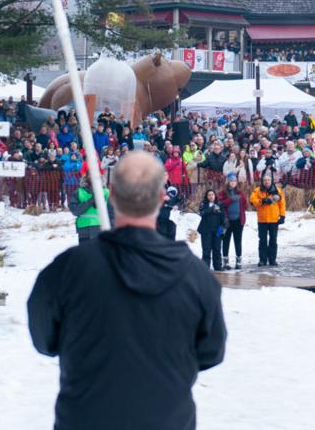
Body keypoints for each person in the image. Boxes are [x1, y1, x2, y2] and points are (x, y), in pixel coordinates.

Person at [27, 151, 226, 430]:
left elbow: (44, 338)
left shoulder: (68, 269)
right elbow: (211, 352)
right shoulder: (197, 276)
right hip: (166, 419)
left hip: (87, 417)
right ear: (161, 198)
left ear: (114, 197)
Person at [66, 162, 115, 242]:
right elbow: (75, 211)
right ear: (86, 177)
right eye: (90, 174)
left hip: (101, 229)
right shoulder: (79, 192)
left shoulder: (106, 192)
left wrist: (112, 230)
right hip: (84, 230)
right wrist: (91, 201)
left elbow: (112, 213)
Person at [250, 169, 286, 267]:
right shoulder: (257, 190)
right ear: (262, 181)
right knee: (262, 240)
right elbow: (252, 200)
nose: (266, 182)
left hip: (274, 219)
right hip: (262, 220)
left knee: (273, 240)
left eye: (268, 180)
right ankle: (262, 259)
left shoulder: (277, 190)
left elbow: (282, 204)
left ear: (271, 181)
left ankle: (272, 259)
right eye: (265, 180)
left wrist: (282, 215)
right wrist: (262, 201)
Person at [219, 173, 249, 270]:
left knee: (237, 241)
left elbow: (245, 205)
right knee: (226, 241)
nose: (233, 183)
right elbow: (220, 204)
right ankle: (225, 262)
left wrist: (240, 211)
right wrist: (230, 200)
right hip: (226, 221)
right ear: (228, 182)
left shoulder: (240, 193)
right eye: (231, 181)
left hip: (238, 221)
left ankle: (238, 261)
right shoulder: (223, 193)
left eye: (234, 181)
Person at [197, 188, 227, 271]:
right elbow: (201, 213)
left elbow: (224, 218)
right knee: (206, 249)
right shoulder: (204, 204)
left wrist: (222, 231)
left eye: (212, 194)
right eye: (209, 195)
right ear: (206, 196)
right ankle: (205, 267)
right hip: (206, 231)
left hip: (217, 230)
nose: (211, 196)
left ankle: (218, 266)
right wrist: (211, 209)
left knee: (217, 249)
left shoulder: (220, 204)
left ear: (215, 196)